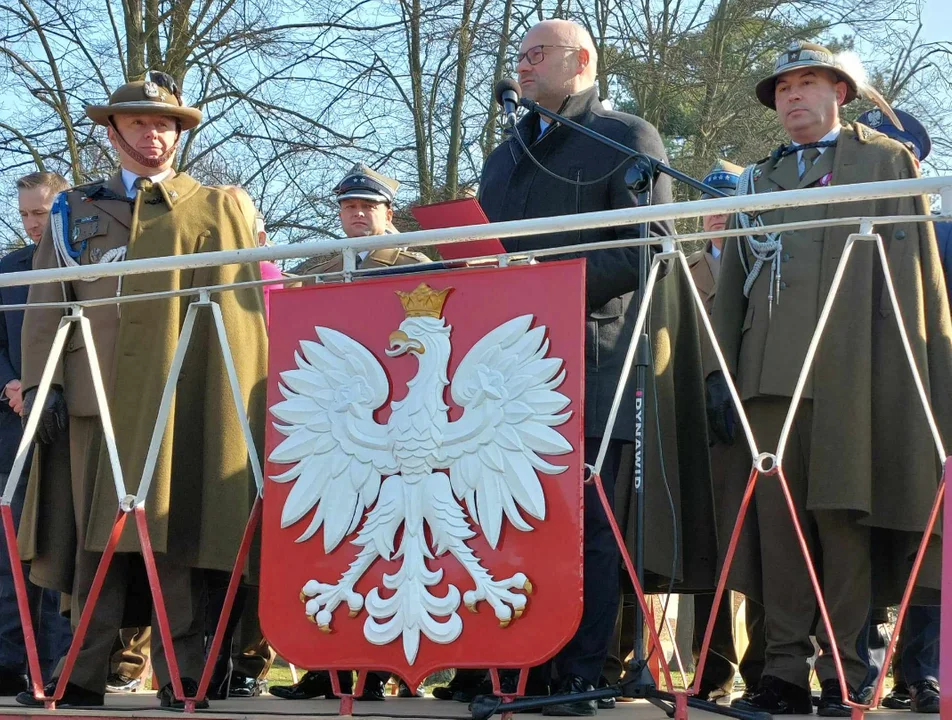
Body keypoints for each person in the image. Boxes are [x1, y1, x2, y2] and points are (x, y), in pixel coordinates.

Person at [708, 42, 952, 716]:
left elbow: (918, 280)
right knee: (779, 529)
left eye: (807, 83)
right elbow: (735, 282)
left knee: (842, 522)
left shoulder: (882, 161)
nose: (791, 98)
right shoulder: (759, 179)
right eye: (782, 89)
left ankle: (846, 670)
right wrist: (717, 371)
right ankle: (784, 672)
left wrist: (915, 374)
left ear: (838, 92)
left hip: (854, 371)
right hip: (765, 374)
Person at [15, 72, 267, 710]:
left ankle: (184, 678)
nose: (153, 135)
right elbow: (48, 303)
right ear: (112, 131)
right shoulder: (74, 209)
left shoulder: (216, 206)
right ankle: (81, 674)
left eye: (165, 125)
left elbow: (242, 317)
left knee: (173, 535)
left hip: (181, 400)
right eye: (138, 123)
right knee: (91, 539)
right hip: (92, 398)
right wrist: (43, 387)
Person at [477, 19, 674, 716]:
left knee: (585, 524)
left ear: (580, 60)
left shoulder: (624, 138)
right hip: (500, 373)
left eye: (537, 55)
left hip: (590, 359)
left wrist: (548, 278)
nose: (522, 68)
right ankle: (509, 667)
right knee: (505, 521)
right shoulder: (503, 160)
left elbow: (646, 249)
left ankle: (582, 673)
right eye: (520, 56)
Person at [269, 164, 424, 703]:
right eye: (348, 207)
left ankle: (383, 670)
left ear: (388, 212)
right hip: (328, 425)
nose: (356, 215)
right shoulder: (317, 264)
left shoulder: (417, 260)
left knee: (388, 546)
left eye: (368, 206)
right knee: (329, 543)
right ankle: (327, 667)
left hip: (395, 427)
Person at [855, 106, 941, 715]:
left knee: (924, 536)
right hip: (854, 394)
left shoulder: (945, 227)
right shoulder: (835, 226)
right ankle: (854, 669)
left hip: (928, 398)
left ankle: (923, 671)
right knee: (856, 529)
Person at [684, 160, 766, 703]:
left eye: (726, 203)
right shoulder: (683, 268)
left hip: (751, 416)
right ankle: (710, 668)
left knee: (760, 542)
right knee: (709, 547)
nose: (716, 215)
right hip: (699, 417)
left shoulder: (763, 260)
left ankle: (765, 667)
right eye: (708, 204)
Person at [0, 172, 73, 694]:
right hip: (10, 426)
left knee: (55, 547)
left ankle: (58, 665)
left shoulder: (84, 265)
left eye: (41, 213)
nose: (31, 223)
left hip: (67, 424)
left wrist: (48, 386)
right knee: (8, 553)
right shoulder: (7, 270)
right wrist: (10, 382)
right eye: (25, 213)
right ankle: (7, 661)